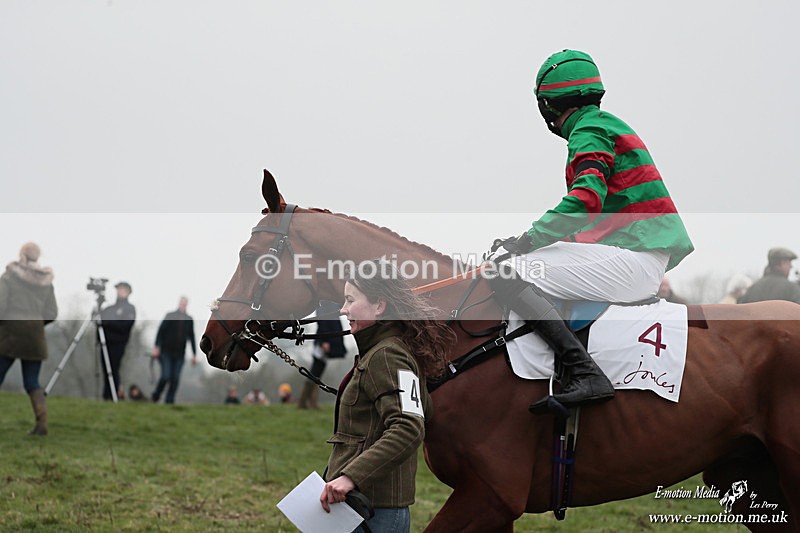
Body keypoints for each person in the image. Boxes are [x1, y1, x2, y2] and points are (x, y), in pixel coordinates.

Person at [496, 49, 694, 413]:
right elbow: (593, 221)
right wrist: (530, 243)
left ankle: (584, 372)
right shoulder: (601, 125)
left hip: (635, 260)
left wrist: (528, 240)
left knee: (508, 271)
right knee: (526, 260)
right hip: (635, 254)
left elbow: (585, 200)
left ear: (548, 105)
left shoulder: (588, 131)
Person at [319, 261, 455, 532]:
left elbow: (408, 427)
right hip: (365, 508)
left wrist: (350, 477)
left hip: (371, 513)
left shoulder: (386, 355)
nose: (343, 309)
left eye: (350, 300)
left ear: (379, 306)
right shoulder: (387, 350)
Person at [0, 242, 58, 436]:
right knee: (32, 382)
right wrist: (36, 324)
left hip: (10, 333)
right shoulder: (46, 281)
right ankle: (42, 424)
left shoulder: (10, 276)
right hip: (35, 336)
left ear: (22, 254)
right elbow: (52, 312)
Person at [299, 301, 348, 410]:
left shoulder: (330, 304)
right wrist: (324, 341)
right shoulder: (325, 304)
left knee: (317, 372)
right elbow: (323, 322)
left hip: (325, 340)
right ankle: (304, 402)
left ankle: (310, 402)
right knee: (315, 372)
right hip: (323, 341)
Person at [151, 296, 197, 404]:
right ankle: (156, 395)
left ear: (187, 305)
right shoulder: (170, 315)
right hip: (165, 352)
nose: (183, 305)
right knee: (165, 376)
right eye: (182, 303)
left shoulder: (189, 319)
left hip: (180, 354)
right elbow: (160, 331)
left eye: (185, 303)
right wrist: (156, 347)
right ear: (179, 303)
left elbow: (191, 337)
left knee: (175, 378)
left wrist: (194, 354)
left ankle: (169, 401)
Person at [99, 281, 136, 401]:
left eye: (123, 290)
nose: (120, 292)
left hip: (119, 344)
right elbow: (100, 322)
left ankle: (113, 394)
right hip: (105, 343)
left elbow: (125, 326)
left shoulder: (130, 309)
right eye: (119, 289)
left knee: (113, 368)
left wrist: (109, 323)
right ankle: (107, 395)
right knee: (106, 369)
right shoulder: (109, 309)